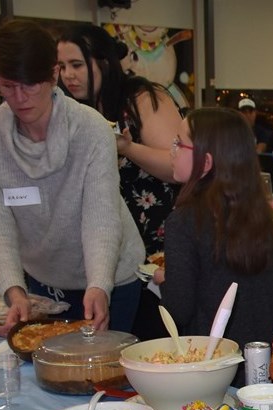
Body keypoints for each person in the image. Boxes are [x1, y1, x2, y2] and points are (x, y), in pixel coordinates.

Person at [0, 20, 142, 332]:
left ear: (53, 74)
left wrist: (99, 285)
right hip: (43, 281)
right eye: (8, 87)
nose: (20, 98)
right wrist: (13, 289)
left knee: (102, 373)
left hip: (110, 281)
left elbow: (100, 217)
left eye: (30, 85)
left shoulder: (90, 129)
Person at [160, 108, 273, 387]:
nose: (171, 151)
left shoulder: (184, 221)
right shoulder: (261, 212)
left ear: (205, 162)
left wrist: (163, 282)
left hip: (216, 368)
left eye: (178, 143)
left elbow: (179, 308)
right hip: (267, 362)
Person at [57, 24, 181, 257]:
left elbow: (175, 166)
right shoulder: (76, 110)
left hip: (156, 245)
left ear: (104, 63)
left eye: (77, 65)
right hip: (107, 246)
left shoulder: (141, 99)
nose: (68, 75)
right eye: (62, 67)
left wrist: (126, 147)